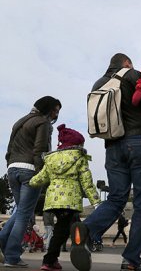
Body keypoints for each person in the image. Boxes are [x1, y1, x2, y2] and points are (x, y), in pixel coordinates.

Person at [70, 53, 141, 271]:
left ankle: (87, 229)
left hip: (112, 147)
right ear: (126, 63)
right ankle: (131, 261)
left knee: (116, 198)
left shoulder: (98, 84)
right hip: (140, 142)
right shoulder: (132, 75)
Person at [0, 96, 61, 268]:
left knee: (20, 211)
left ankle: (3, 243)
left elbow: (9, 148)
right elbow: (40, 150)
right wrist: (41, 172)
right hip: (29, 171)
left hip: (13, 169)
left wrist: (10, 164)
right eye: (55, 110)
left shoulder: (19, 121)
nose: (55, 114)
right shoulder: (43, 123)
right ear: (47, 108)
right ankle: (12, 257)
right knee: (24, 215)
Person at [29, 124, 101, 271]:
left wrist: (30, 182)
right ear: (77, 144)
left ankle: (58, 257)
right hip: (70, 201)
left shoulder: (51, 159)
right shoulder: (79, 157)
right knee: (63, 231)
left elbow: (40, 178)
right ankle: (50, 260)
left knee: (69, 225)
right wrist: (96, 202)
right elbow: (87, 183)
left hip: (53, 201)